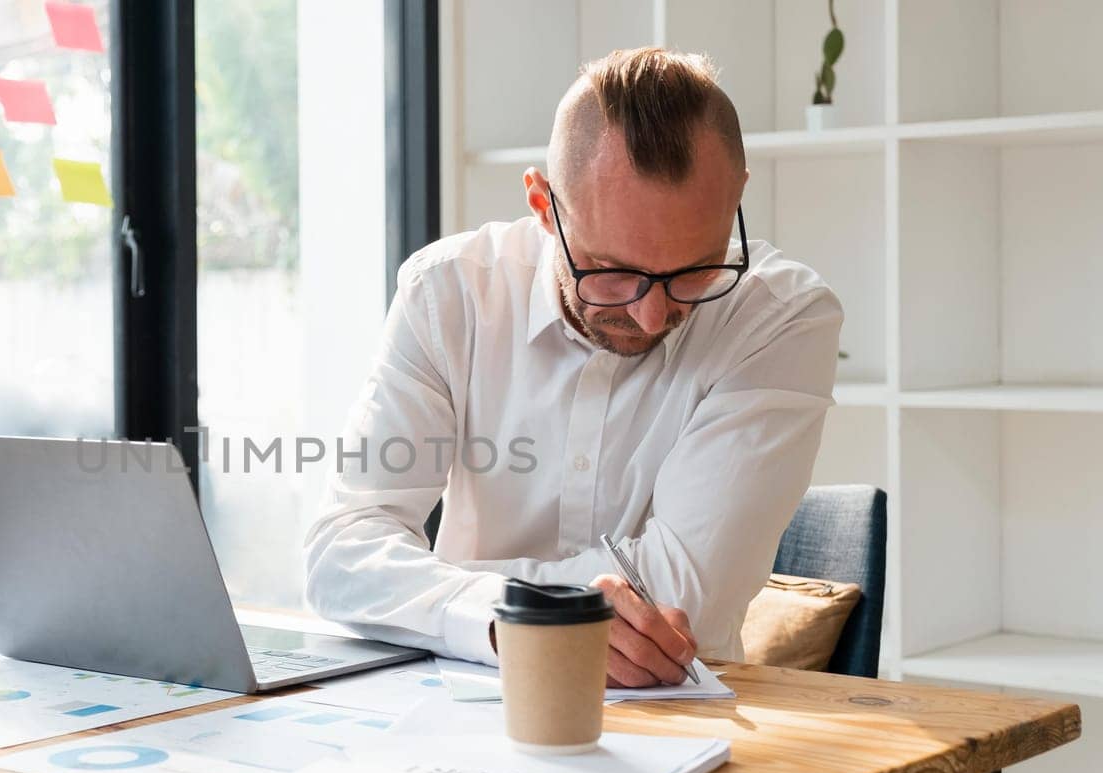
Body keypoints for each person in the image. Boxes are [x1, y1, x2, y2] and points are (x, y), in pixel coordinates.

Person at [303, 47, 841, 687]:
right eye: (612, 274)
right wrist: (505, 619)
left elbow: (678, 601)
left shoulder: (780, 317)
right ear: (541, 205)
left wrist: (435, 597)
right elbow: (340, 555)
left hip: (673, 714)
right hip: (457, 703)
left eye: (695, 271)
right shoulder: (449, 294)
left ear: (737, 196)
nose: (651, 315)